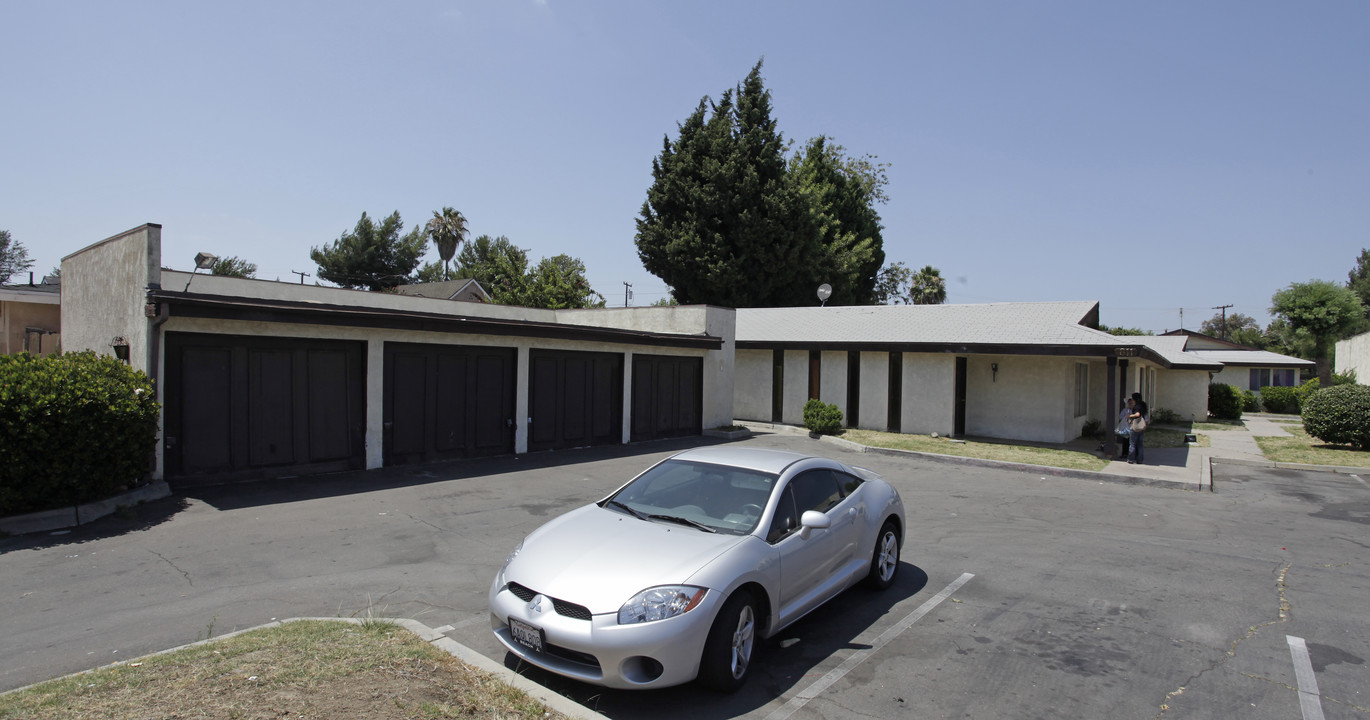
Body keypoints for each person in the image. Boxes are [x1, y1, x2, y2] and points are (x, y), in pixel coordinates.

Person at [1127, 392, 1149, 464]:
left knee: (1132, 443)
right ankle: (1139, 459)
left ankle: (1131, 459)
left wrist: (1130, 416)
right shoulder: (1143, 405)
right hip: (1142, 426)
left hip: (1135, 426)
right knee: (1140, 444)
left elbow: (1137, 414)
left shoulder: (1137, 406)